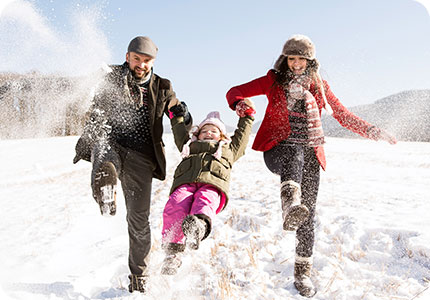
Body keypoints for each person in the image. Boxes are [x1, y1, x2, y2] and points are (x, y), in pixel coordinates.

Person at [226, 34, 396, 297]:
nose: (295, 64)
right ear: (284, 60)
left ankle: (302, 272)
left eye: (301, 59)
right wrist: (240, 106)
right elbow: (235, 91)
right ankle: (289, 202)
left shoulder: (319, 86)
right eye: (291, 59)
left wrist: (374, 131)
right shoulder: (273, 81)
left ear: (310, 61)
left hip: (311, 155)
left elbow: (342, 115)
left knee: (308, 214)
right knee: (295, 150)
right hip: (277, 150)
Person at [72, 36, 192, 293]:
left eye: (147, 60)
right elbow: (90, 94)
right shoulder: (112, 75)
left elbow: (174, 113)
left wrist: (182, 115)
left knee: (138, 220)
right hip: (112, 142)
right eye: (137, 59)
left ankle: (139, 279)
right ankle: (104, 187)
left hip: (142, 157)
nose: (141, 64)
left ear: (153, 62)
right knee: (103, 152)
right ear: (127, 57)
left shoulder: (162, 87)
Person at [160, 100, 255, 275]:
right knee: (175, 203)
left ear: (221, 136)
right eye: (205, 131)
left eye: (214, 131)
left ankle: (198, 226)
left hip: (212, 185)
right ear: (198, 134)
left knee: (205, 200)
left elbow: (241, 137)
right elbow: (179, 132)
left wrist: (247, 117)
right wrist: (176, 116)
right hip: (186, 184)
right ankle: (172, 254)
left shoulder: (228, 149)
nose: (209, 133)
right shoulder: (189, 146)